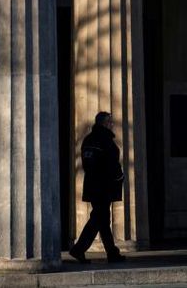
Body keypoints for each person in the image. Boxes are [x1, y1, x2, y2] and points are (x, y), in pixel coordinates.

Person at [69, 112, 127, 264]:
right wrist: (119, 176)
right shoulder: (104, 140)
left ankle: (112, 253)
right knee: (98, 219)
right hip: (103, 186)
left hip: (94, 185)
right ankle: (79, 249)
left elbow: (88, 163)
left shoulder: (89, 139)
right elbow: (110, 164)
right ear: (105, 123)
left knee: (102, 219)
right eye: (110, 122)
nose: (112, 124)